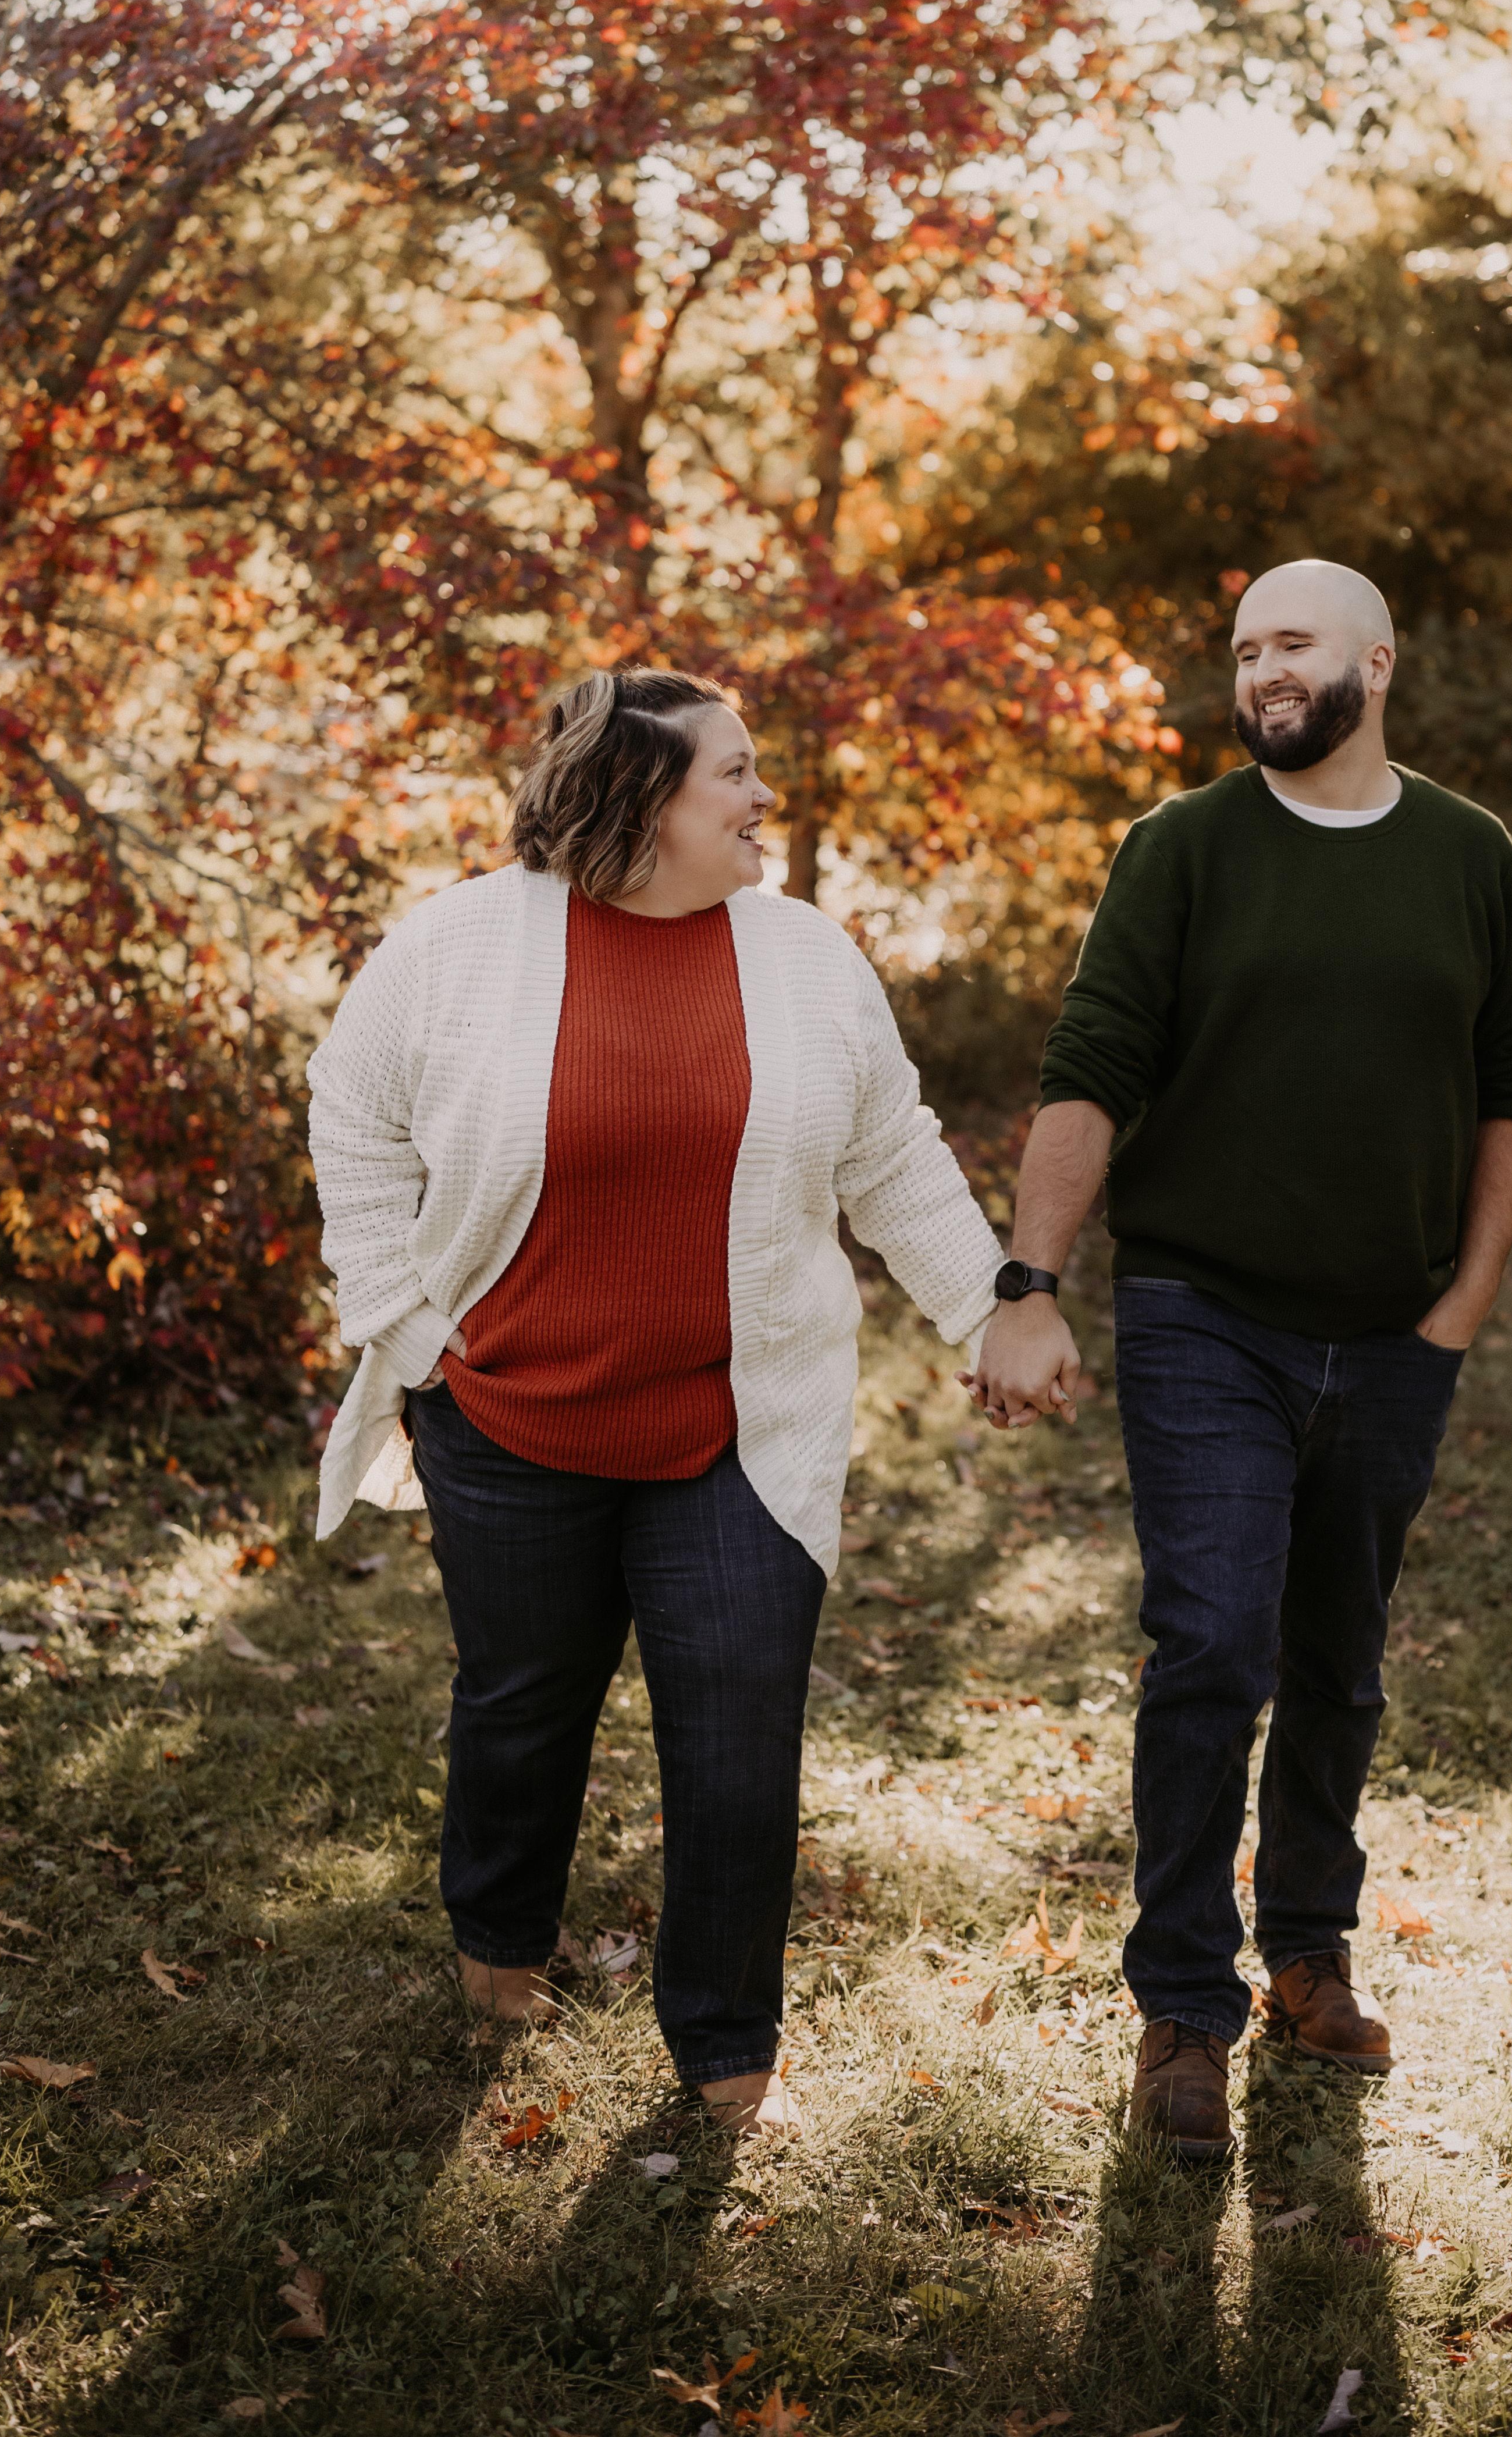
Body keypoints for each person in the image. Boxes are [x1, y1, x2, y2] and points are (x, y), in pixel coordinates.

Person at [305, 668, 1005, 2137]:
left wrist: (991, 1309)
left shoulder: (805, 958)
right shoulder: (456, 947)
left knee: (739, 1733)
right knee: (522, 1706)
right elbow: (354, 1108)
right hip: (509, 1417)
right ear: (640, 799)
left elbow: (891, 1154)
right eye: (733, 774)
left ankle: (727, 2047)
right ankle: (502, 1947)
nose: (763, 798)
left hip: (739, 1428)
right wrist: (403, 1323)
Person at [969, 561, 1512, 2158]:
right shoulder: (1182, 849)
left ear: (1379, 659)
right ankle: (1183, 2007)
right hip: (1204, 1314)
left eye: (1293, 643)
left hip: (1394, 1334)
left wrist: (1462, 1308)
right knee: (1214, 1642)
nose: (1263, 671)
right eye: (1244, 650)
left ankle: (1308, 1952)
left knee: (1339, 1659)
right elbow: (1092, 1062)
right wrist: (1030, 1283)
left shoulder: (1467, 854)